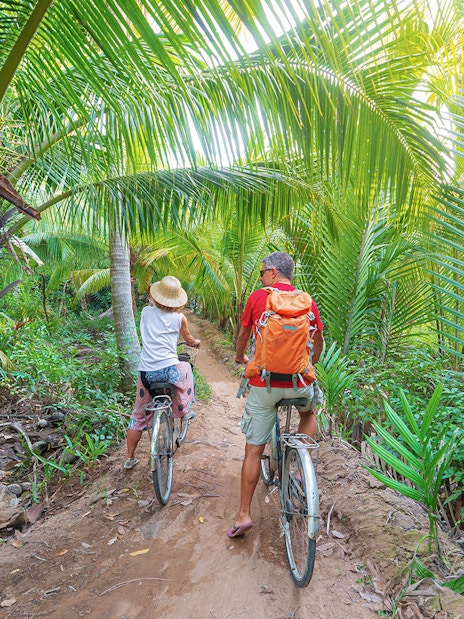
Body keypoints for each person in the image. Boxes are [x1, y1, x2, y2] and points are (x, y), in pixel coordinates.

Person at [228, 251, 324, 537]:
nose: (260, 277)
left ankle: (244, 515)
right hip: (298, 382)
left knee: (253, 450)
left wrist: (240, 357)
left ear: (271, 272)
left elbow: (244, 335)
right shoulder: (306, 301)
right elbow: (318, 340)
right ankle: (298, 466)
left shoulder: (259, 298)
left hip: (264, 385)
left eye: (261, 272)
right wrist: (311, 363)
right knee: (309, 411)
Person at [124, 275, 200, 470]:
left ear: (156, 297)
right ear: (177, 300)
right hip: (169, 371)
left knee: (138, 415)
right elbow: (189, 340)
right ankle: (183, 408)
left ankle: (129, 458)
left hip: (146, 374)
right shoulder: (179, 318)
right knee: (186, 368)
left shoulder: (146, 313)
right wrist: (194, 343)